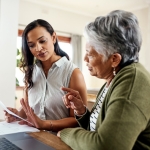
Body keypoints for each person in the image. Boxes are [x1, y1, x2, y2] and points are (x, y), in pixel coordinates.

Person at [57, 10, 150, 150]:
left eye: (90, 54)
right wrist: (81, 110)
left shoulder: (132, 81)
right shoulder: (112, 80)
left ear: (114, 59)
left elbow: (106, 145)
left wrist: (66, 133)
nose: (85, 59)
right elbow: (97, 131)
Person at [4, 19, 87, 132]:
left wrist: (44, 124)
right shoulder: (31, 72)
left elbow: (78, 120)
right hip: (33, 137)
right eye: (32, 45)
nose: (38, 49)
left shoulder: (73, 73)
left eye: (42, 41)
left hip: (59, 140)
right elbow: (27, 110)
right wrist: (17, 114)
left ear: (53, 38)